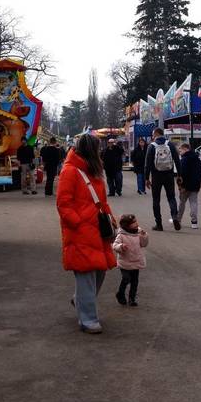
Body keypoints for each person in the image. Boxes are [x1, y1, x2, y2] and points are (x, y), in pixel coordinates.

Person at [56, 133, 116, 334]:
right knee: (87, 274)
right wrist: (78, 223)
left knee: (100, 270)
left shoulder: (93, 170)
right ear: (91, 150)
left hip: (97, 229)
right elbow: (63, 203)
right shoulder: (70, 171)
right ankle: (88, 319)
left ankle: (80, 301)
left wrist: (110, 219)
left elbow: (102, 201)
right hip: (81, 232)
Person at [144, 128, 181, 231]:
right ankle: (174, 217)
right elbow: (177, 160)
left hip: (156, 176)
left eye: (152, 134)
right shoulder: (170, 144)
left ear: (156, 134)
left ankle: (159, 224)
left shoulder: (151, 146)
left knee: (156, 200)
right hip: (169, 175)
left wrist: (146, 178)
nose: (152, 136)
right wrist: (179, 174)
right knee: (171, 197)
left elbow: (147, 164)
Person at [111, 213, 148, 306]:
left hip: (136, 261)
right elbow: (114, 245)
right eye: (133, 222)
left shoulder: (139, 232)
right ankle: (120, 293)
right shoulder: (121, 235)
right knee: (126, 278)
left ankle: (132, 298)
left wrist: (144, 236)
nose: (136, 223)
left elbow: (144, 244)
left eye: (136, 221)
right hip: (125, 262)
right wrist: (121, 246)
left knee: (135, 282)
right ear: (127, 225)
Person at [176, 142, 201, 229]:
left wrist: (181, 185)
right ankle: (194, 222)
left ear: (185, 149)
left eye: (180, 151)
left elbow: (182, 173)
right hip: (195, 185)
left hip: (185, 186)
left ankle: (178, 220)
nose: (180, 153)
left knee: (182, 203)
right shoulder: (197, 158)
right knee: (194, 203)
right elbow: (200, 171)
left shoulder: (184, 160)